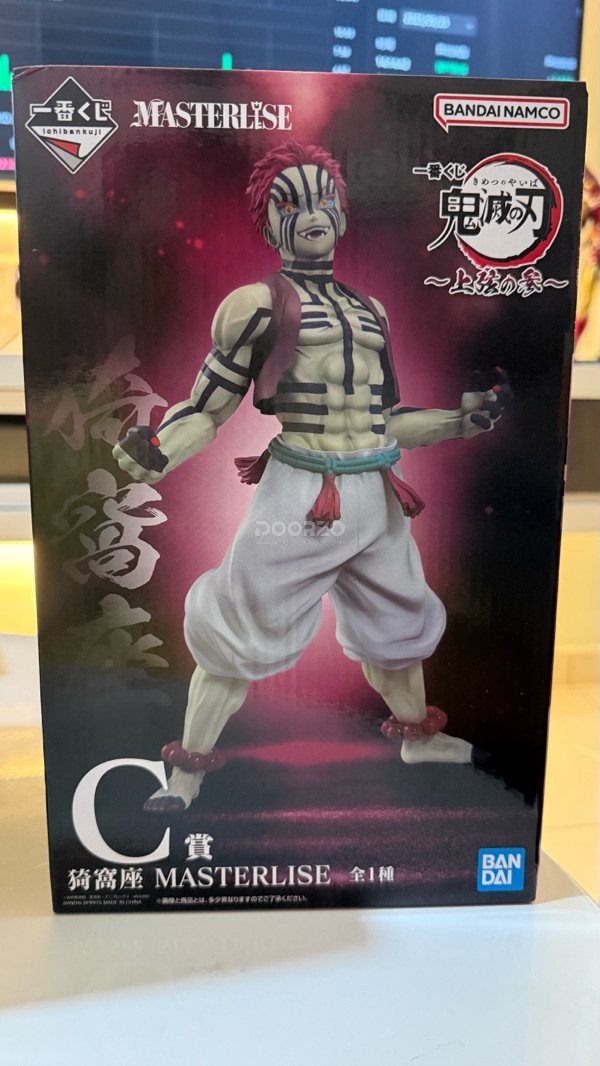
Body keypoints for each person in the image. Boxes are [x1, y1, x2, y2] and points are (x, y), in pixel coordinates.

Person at [113, 142, 508, 813]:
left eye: (323, 198)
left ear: (343, 215)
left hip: (378, 492)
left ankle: (416, 737)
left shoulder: (371, 311)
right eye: (289, 203)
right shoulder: (253, 305)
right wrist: (158, 450)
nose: (311, 213)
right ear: (269, 225)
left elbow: (388, 421)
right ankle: (185, 777)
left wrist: (459, 422)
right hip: (298, 494)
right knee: (236, 627)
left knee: (398, 624)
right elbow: (207, 409)